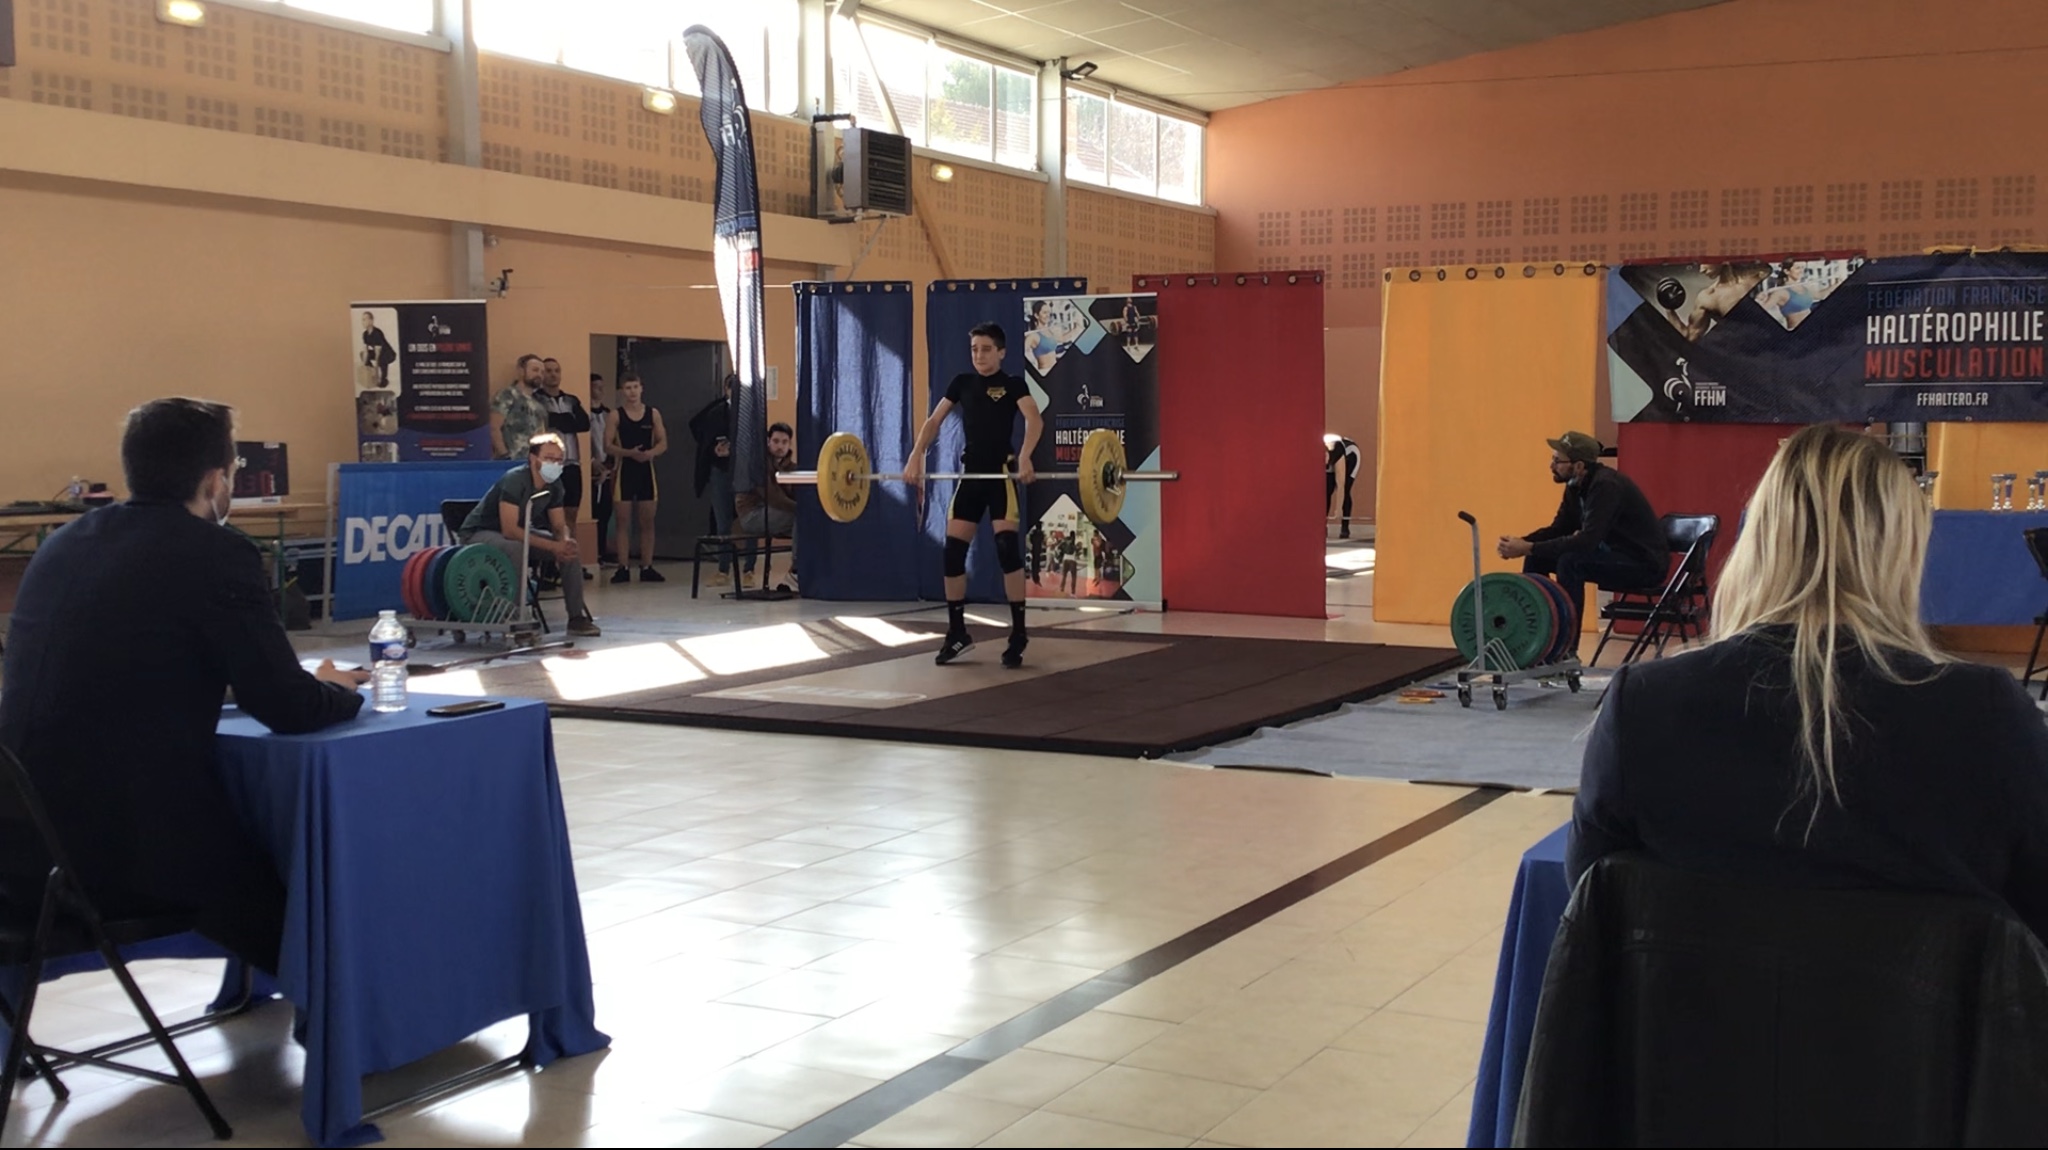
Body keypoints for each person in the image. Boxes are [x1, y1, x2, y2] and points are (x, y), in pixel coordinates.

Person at [1568, 422, 2048, 942]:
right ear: (1905, 550)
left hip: (1693, 994)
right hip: (1928, 996)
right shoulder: (1985, 716)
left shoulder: (1644, 706)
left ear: (1759, 540)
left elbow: (1592, 907)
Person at [0, 398, 366, 974]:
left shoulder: (65, 543)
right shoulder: (217, 553)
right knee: (311, 901)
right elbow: (288, 707)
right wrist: (343, 692)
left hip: (21, 849)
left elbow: (126, 666)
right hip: (120, 854)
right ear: (216, 480)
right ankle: (345, 1017)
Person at [904, 321, 1044, 667]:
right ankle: (957, 633)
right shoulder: (962, 383)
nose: (979, 355)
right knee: (952, 553)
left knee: (1006, 549)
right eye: (974, 349)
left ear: (1001, 352)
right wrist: (916, 455)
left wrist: (1025, 456)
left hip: (1000, 476)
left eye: (986, 349)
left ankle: (1019, 633)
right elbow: (934, 421)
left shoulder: (1013, 384)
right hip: (971, 477)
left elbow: (1034, 419)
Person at [1497, 430, 1667, 627]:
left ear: (1578, 466)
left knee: (1571, 562)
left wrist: (1529, 547)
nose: (1551, 466)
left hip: (1643, 564)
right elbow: (1559, 529)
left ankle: (1567, 640)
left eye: (1557, 461)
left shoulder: (1606, 486)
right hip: (1614, 555)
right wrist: (1522, 543)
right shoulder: (1575, 485)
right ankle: (1540, 630)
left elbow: (1587, 541)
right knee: (1537, 558)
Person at [458, 432, 602, 637]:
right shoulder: (515, 480)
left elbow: (558, 525)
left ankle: (576, 618)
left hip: (520, 531)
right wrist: (553, 547)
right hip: (481, 533)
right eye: (549, 458)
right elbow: (509, 529)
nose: (555, 464)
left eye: (559, 460)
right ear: (533, 459)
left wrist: (564, 541)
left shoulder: (555, 485)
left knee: (570, 551)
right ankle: (515, 618)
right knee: (516, 548)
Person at [606, 372, 668, 584]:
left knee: (647, 522)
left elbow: (663, 442)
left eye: (635, 387)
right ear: (622, 391)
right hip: (624, 471)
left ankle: (647, 566)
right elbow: (607, 446)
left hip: (646, 472)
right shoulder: (615, 415)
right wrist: (628, 453)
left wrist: (650, 453)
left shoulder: (653, 414)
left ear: (642, 388)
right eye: (628, 388)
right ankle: (623, 567)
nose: (632, 392)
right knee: (622, 522)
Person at [535, 358, 592, 570]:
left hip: (572, 464)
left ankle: (571, 562)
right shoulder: (536, 399)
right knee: (548, 515)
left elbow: (583, 424)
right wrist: (564, 420)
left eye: (556, 370)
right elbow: (546, 422)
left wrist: (559, 420)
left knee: (571, 514)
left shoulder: (571, 400)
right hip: (548, 465)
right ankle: (550, 564)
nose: (553, 374)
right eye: (548, 371)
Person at [688, 375, 742, 584]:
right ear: (726, 389)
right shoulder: (715, 412)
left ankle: (749, 569)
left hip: (743, 470)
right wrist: (714, 449)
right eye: (732, 388)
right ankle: (723, 569)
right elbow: (703, 435)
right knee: (722, 522)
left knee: (749, 520)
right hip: (721, 469)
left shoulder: (750, 412)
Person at [735, 422, 799, 593]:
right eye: (776, 441)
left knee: (808, 521)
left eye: (784, 442)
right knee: (800, 517)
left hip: (775, 514)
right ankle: (797, 570)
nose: (780, 446)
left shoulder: (791, 467)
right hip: (752, 514)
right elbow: (773, 498)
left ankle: (803, 570)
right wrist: (801, 509)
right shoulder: (758, 465)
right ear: (768, 442)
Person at [489, 353, 549, 460]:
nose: (539, 375)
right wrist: (504, 456)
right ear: (521, 371)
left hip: (535, 462)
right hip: (512, 461)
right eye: (535, 370)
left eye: (542, 372)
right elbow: (494, 427)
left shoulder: (541, 402)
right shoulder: (507, 395)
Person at [588, 372, 617, 568]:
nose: (599, 390)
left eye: (601, 387)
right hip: (591, 467)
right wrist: (591, 461)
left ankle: (603, 551)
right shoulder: (585, 414)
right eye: (595, 386)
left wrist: (610, 465)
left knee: (606, 510)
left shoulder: (608, 414)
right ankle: (593, 552)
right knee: (593, 510)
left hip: (607, 468)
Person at [1324, 433, 1361, 539]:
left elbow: (1341, 485)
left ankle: (1345, 527)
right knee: (1326, 490)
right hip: (1332, 457)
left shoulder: (1337, 452)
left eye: (1325, 457)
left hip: (1350, 456)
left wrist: (1338, 509)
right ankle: (1323, 526)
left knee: (1346, 488)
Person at [360, 311, 396, 386]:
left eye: (365, 319)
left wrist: (376, 372)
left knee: (382, 358)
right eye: (362, 320)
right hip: (379, 353)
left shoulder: (377, 333)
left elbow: (377, 354)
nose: (363, 322)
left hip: (389, 354)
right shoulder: (365, 334)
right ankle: (371, 372)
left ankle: (384, 380)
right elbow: (366, 352)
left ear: (371, 321)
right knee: (362, 354)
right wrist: (363, 367)